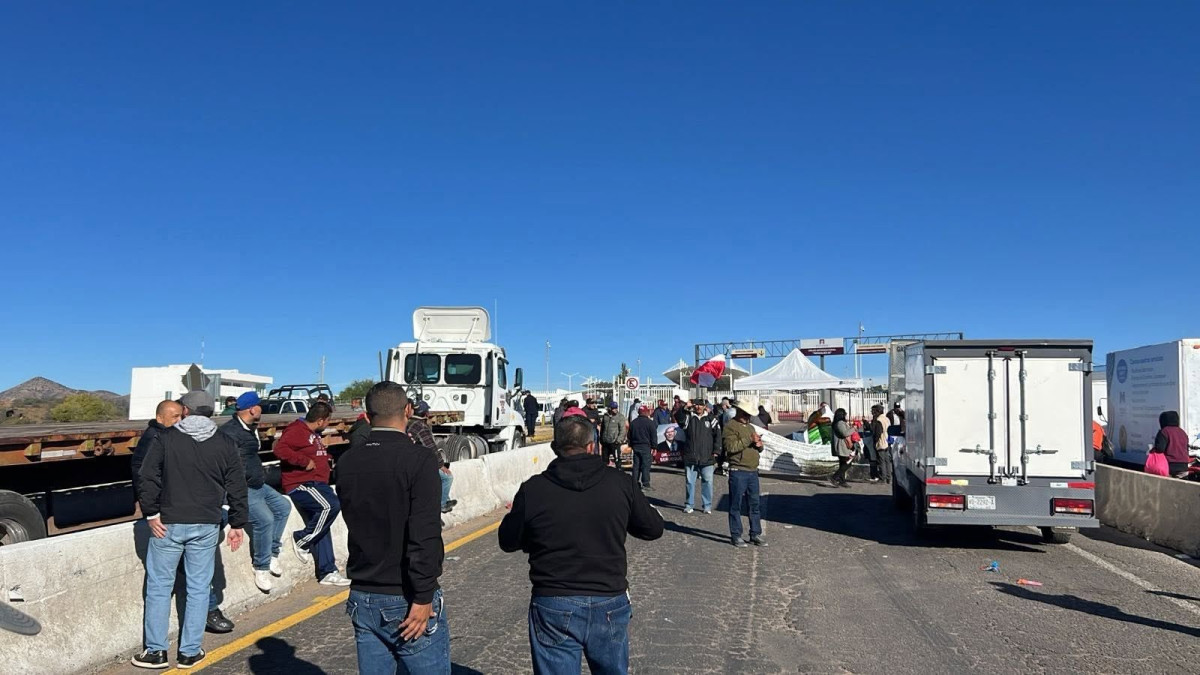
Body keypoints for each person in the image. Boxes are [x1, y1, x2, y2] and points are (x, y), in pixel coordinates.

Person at [498, 415, 664, 675]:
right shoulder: (619, 483)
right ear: (591, 446)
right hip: (609, 597)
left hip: (554, 601)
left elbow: (507, 541)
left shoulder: (533, 489)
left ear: (554, 448)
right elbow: (653, 529)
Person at [339, 382, 450, 674]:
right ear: (408, 411)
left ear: (366, 413)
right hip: (405, 596)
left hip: (362, 594)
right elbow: (424, 533)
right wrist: (424, 596)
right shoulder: (419, 459)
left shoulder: (348, 461)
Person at [134, 390, 247, 670]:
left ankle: (155, 652)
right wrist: (237, 522)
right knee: (198, 589)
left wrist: (151, 513)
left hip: (168, 522)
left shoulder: (166, 438)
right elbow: (237, 484)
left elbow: (147, 475)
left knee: (160, 588)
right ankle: (190, 652)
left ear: (185, 410)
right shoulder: (225, 442)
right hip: (207, 524)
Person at [220, 391, 292, 593]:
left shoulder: (250, 428)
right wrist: (234, 496)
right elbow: (230, 467)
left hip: (258, 484)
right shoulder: (230, 433)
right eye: (260, 405)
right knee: (265, 520)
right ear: (252, 409)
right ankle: (261, 566)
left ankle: (273, 553)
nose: (262, 409)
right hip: (244, 488)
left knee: (283, 506)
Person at [273, 402, 351, 587]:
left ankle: (327, 571)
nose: (328, 424)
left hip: (317, 483)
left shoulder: (312, 434)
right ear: (320, 420)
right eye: (328, 420)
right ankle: (302, 539)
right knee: (330, 506)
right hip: (302, 483)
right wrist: (303, 461)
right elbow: (280, 449)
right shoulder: (297, 430)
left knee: (323, 524)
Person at [723, 400, 766, 548]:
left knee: (754, 505)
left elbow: (756, 445)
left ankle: (755, 533)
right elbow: (731, 447)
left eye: (749, 415)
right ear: (739, 412)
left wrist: (760, 445)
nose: (748, 418)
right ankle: (736, 535)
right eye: (746, 415)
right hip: (738, 471)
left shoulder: (751, 427)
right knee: (736, 504)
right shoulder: (730, 427)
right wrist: (749, 439)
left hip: (753, 471)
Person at [408, 399, 456, 514]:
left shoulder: (409, 423)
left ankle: (446, 499)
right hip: (420, 462)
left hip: (410, 460)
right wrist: (441, 465)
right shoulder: (421, 426)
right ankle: (442, 505)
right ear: (426, 413)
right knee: (447, 477)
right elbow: (431, 447)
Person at [682, 401, 720, 514]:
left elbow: (717, 435)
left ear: (705, 406)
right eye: (696, 405)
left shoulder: (711, 419)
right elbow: (679, 419)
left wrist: (716, 450)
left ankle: (707, 505)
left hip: (707, 456)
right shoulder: (689, 417)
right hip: (691, 456)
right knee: (689, 482)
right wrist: (685, 407)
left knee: (707, 481)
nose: (698, 407)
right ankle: (689, 504)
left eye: (701, 405)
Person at [1152, 410, 1191, 478]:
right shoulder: (1182, 432)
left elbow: (1160, 449)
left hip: (1169, 465)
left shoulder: (1164, 431)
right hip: (1184, 465)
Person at [628, 404, 657, 491]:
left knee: (636, 466)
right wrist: (654, 447)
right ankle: (646, 484)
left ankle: (634, 483)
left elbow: (629, 436)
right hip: (645, 447)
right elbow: (653, 436)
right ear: (646, 412)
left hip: (636, 447)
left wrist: (631, 445)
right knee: (645, 466)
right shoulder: (650, 423)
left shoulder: (633, 423)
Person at [829, 408, 855, 488]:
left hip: (841, 446)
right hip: (842, 446)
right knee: (848, 463)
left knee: (843, 463)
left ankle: (842, 480)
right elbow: (845, 433)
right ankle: (834, 477)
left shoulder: (839, 423)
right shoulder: (840, 423)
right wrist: (854, 428)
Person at [600, 401, 628, 468]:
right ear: (609, 408)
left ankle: (619, 472)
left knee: (617, 460)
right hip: (605, 442)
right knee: (604, 460)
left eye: (616, 408)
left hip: (615, 442)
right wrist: (601, 438)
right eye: (613, 408)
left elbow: (623, 430)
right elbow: (602, 428)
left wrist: (618, 440)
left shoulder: (620, 417)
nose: (615, 409)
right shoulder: (605, 416)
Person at [870, 404, 892, 484]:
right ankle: (889, 477)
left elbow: (878, 433)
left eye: (873, 411)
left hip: (881, 442)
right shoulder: (886, 418)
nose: (872, 413)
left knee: (881, 461)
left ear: (877, 411)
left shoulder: (879, 420)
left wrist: (875, 441)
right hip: (887, 441)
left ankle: (883, 478)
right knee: (887, 461)